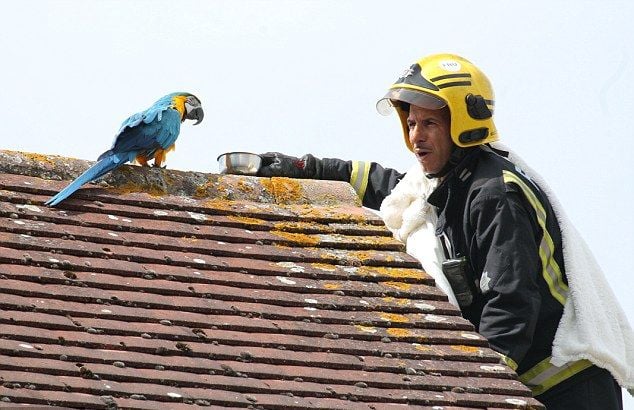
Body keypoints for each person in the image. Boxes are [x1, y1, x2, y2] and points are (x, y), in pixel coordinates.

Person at [256, 53, 632, 409]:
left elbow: (511, 301)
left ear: (463, 125)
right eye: (411, 123)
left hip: (569, 389)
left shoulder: (494, 195)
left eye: (430, 123)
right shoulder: (448, 184)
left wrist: (478, 386)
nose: (416, 136)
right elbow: (383, 183)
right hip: (532, 381)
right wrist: (300, 166)